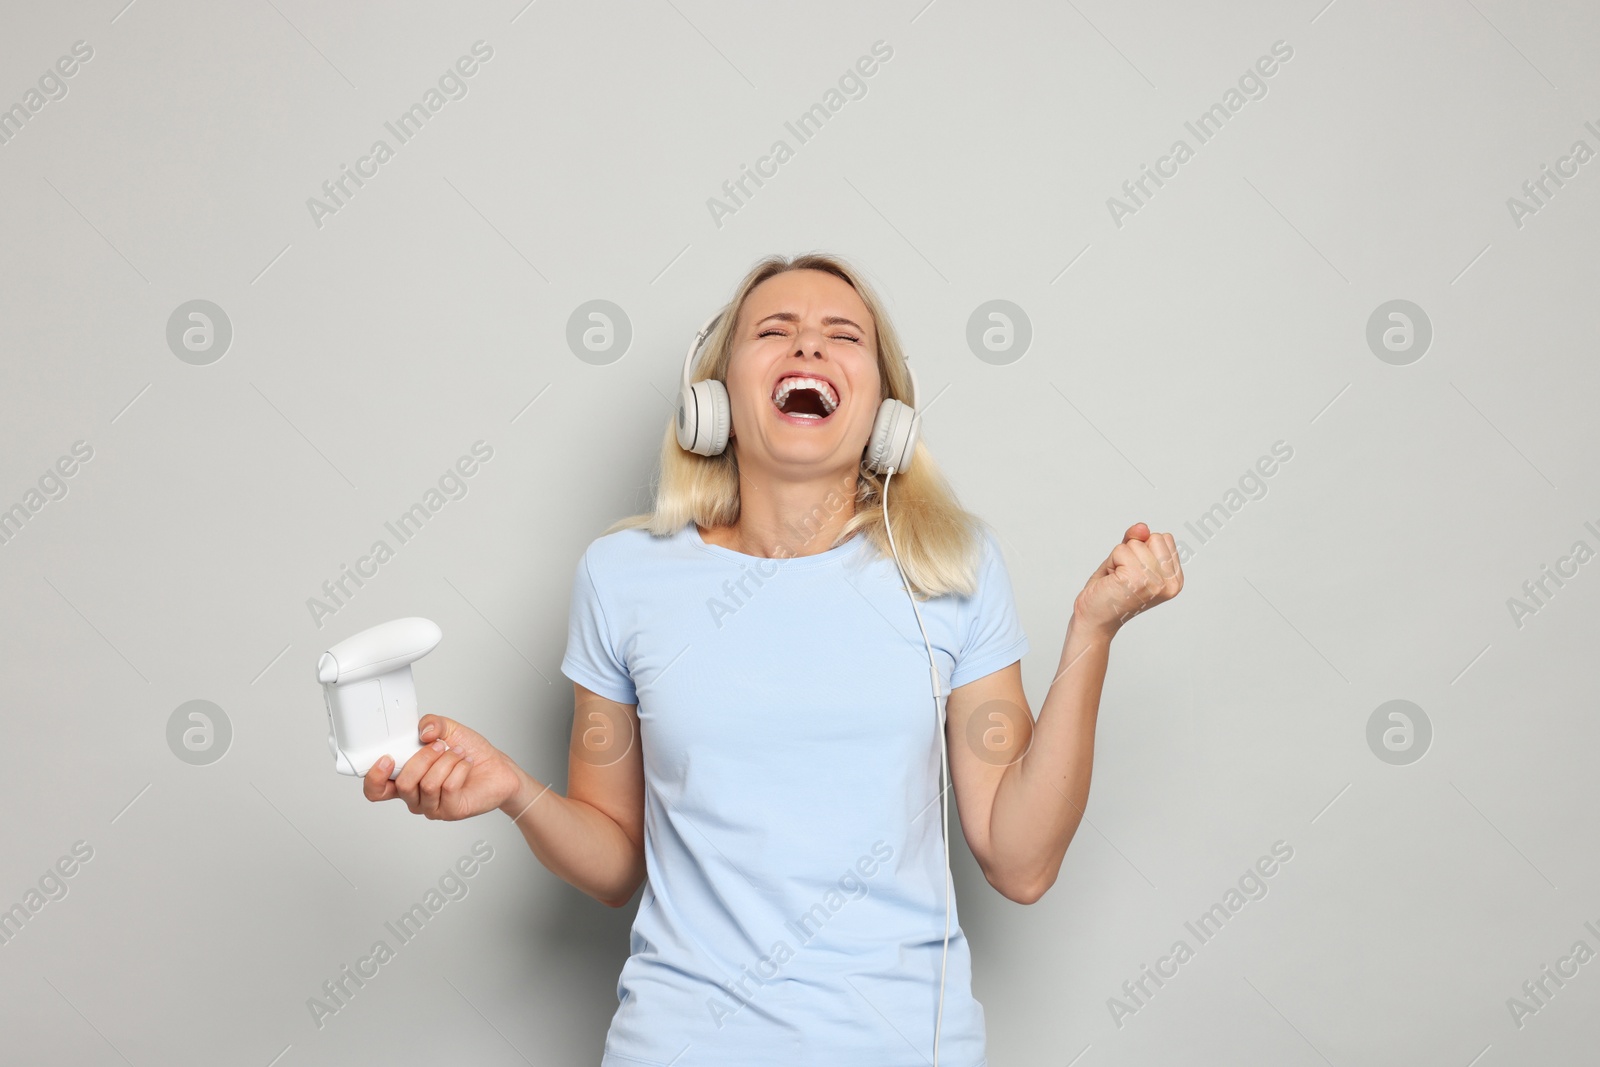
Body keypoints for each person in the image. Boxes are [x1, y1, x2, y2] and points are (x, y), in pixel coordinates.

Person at [364, 252, 1184, 1066]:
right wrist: (514, 789)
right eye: (774, 331)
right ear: (711, 400)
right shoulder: (622, 577)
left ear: (887, 412)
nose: (808, 349)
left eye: (841, 335)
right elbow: (615, 856)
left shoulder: (951, 568)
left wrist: (1092, 632)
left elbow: (1021, 859)